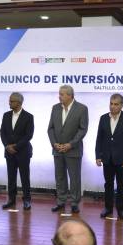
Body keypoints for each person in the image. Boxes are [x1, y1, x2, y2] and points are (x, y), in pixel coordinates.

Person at [47, 85, 89, 214]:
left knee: (74, 178)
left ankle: (75, 203)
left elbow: (83, 129)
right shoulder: (55, 108)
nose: (59, 96)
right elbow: (50, 128)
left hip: (73, 150)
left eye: (62, 94)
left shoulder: (82, 108)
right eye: (59, 94)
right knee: (60, 177)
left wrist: (70, 144)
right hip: (57, 149)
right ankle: (61, 201)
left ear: (70, 95)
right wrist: (54, 144)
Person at [95, 94, 123, 221]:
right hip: (107, 158)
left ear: (122, 105)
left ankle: (121, 209)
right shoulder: (103, 118)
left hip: (122, 159)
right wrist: (98, 155)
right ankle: (108, 208)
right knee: (108, 184)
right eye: (111, 104)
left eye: (116, 104)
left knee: (121, 184)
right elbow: (99, 138)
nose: (113, 106)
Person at [0, 92, 34, 210]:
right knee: (11, 177)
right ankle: (11, 199)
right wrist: (7, 146)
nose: (9, 103)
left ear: (19, 103)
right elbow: (2, 132)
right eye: (9, 101)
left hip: (23, 152)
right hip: (9, 152)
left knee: (25, 177)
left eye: (11, 101)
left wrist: (16, 146)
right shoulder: (6, 115)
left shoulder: (28, 117)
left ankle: (27, 200)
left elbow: (29, 135)